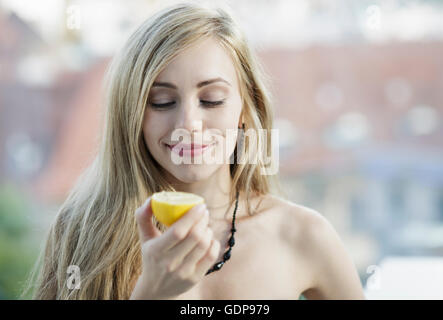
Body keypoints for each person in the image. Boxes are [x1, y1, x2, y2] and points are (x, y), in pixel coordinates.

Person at [27, 2, 366, 300]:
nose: (189, 123)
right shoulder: (81, 232)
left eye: (211, 99)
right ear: (131, 115)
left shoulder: (304, 234)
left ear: (247, 107)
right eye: (161, 102)